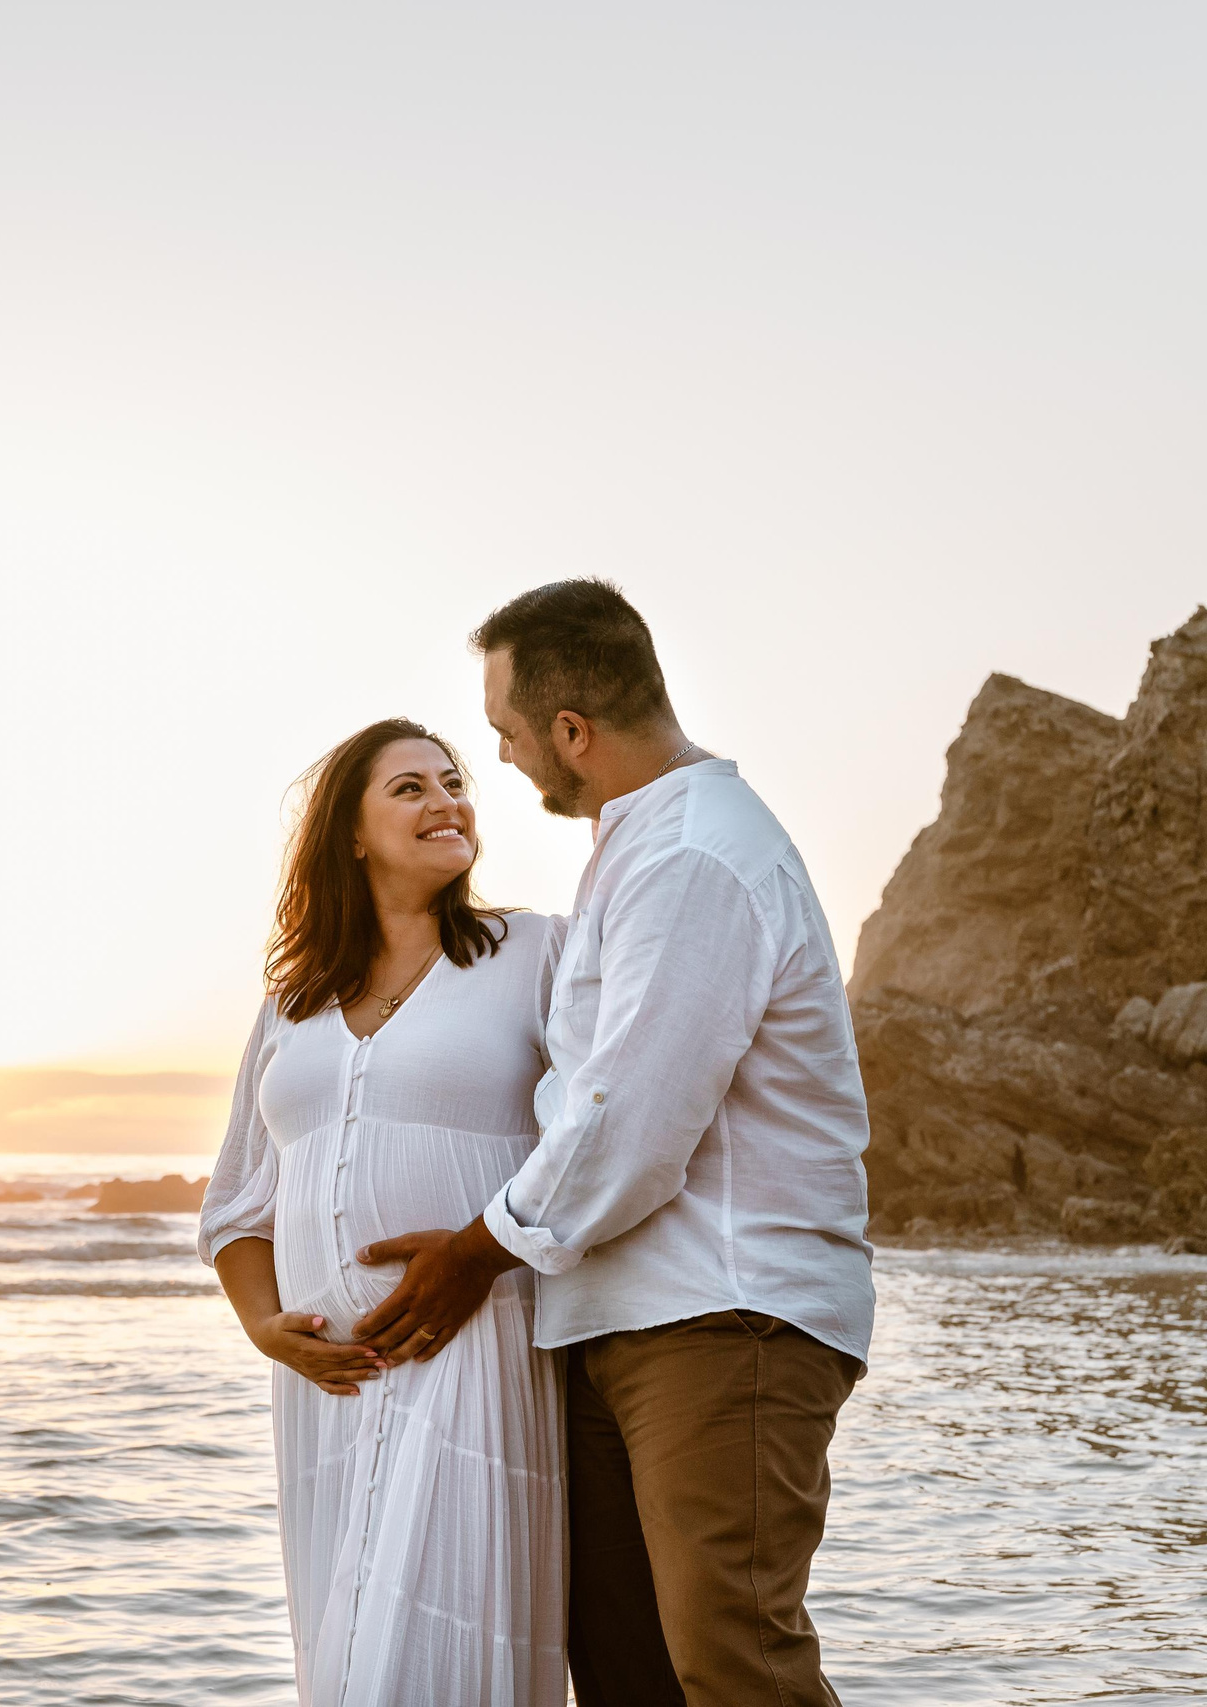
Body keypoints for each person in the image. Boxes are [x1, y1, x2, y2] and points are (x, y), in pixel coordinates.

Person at [353, 580, 876, 1707]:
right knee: (629, 1675)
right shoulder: (639, 851)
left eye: (505, 733)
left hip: (725, 1318)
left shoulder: (696, 857)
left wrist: (470, 1254)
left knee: (733, 1664)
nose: (502, 760)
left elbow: (629, 1127)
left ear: (572, 733)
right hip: (624, 1318)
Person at [197, 718, 566, 1707]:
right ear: (350, 834)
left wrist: (486, 1252)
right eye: (410, 788)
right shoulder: (292, 1002)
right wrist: (266, 1331)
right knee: (348, 1653)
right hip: (328, 1390)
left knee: (446, 1641)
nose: (446, 800)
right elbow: (237, 1204)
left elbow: (603, 1131)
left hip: (476, 1349)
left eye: (454, 782)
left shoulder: (534, 953)